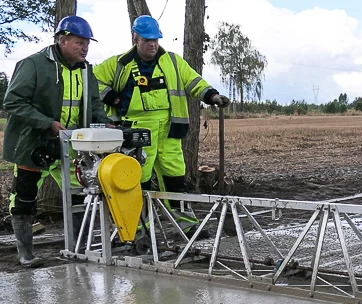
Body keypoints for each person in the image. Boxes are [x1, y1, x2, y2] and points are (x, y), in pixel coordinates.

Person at [93, 15, 230, 230]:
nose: (152, 44)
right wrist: (112, 97)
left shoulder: (173, 62)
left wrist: (211, 95)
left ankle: (186, 224)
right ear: (135, 38)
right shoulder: (119, 64)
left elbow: (193, 81)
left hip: (168, 128)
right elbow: (93, 81)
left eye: (155, 39)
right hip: (136, 129)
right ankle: (139, 228)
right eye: (147, 40)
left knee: (175, 176)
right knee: (138, 179)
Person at [3, 15, 112, 267]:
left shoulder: (87, 70)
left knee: (79, 194)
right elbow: (13, 101)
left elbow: (94, 103)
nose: (85, 48)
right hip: (33, 144)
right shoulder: (33, 65)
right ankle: (26, 253)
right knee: (24, 197)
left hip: (70, 146)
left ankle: (79, 248)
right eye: (79, 43)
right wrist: (46, 123)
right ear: (63, 41)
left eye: (87, 43)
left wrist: (104, 121)